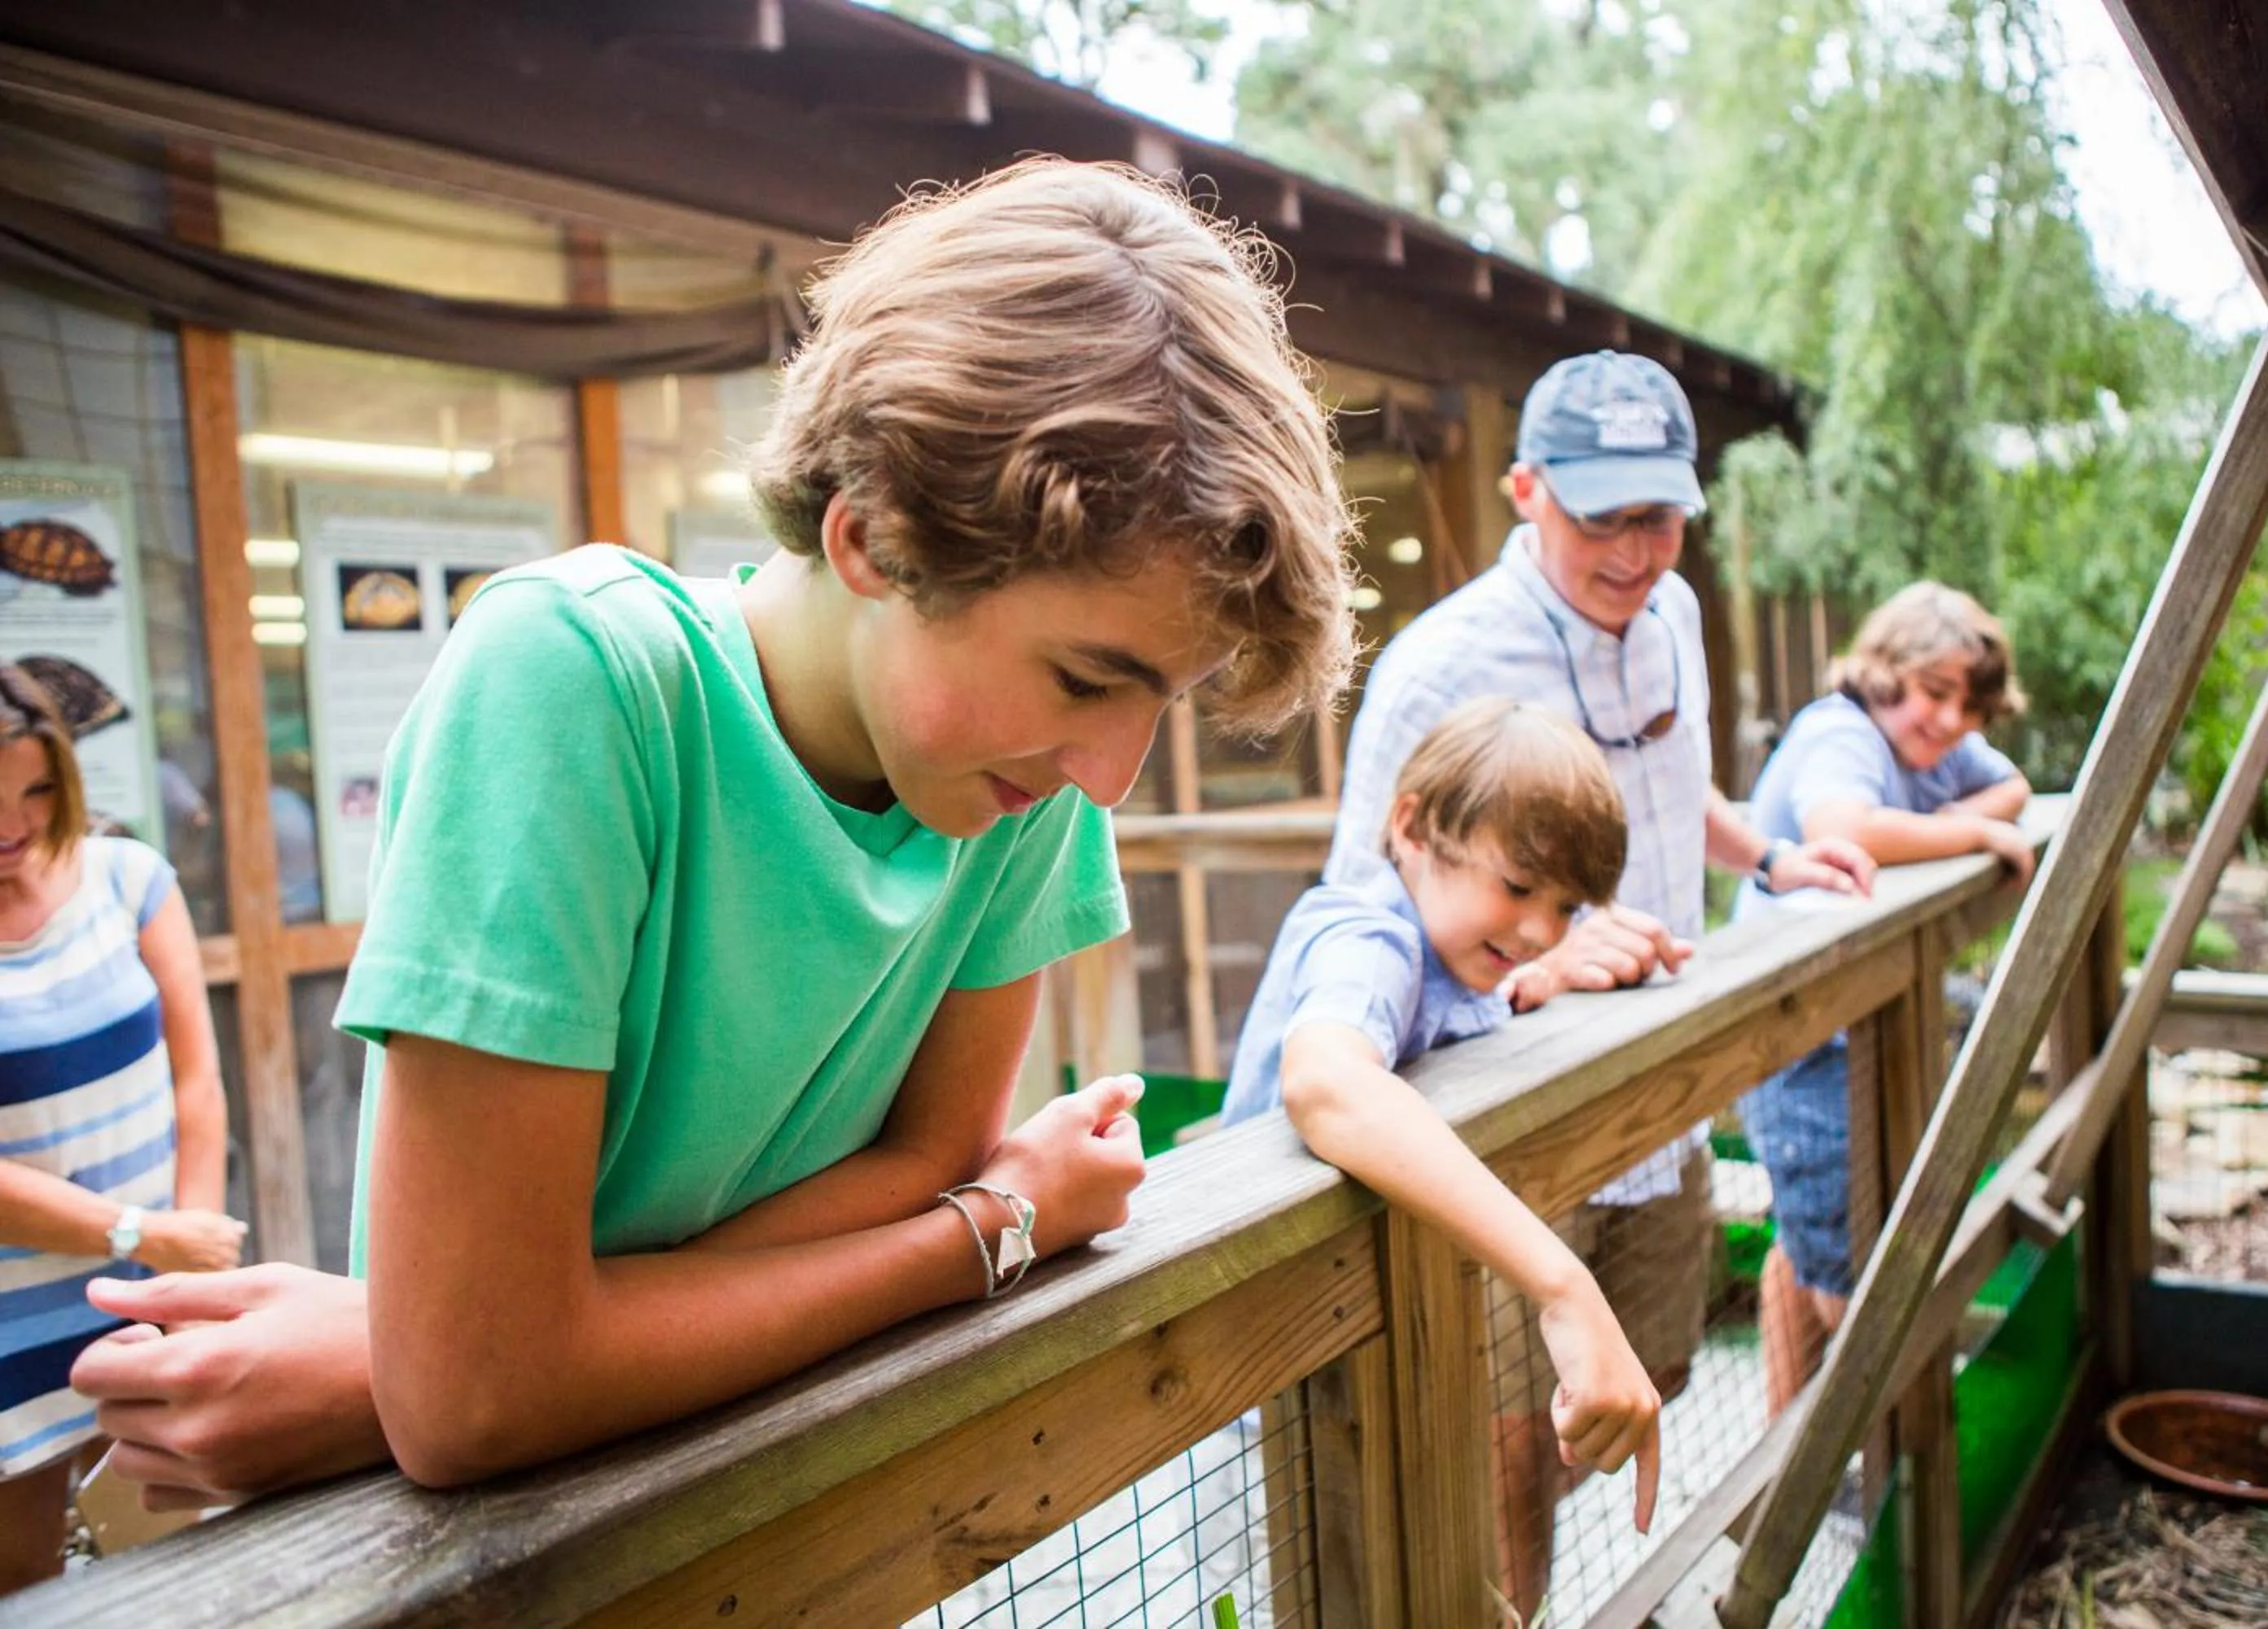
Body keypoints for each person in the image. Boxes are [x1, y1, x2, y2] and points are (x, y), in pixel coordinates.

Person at [68, 159, 1357, 1504]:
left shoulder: (1007, 778)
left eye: (1165, 699)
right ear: (873, 538)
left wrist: (425, 1357)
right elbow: (472, 1401)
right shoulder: (572, 678)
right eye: (1088, 680)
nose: (1111, 775)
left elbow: (909, 1166)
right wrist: (986, 1233)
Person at [1323, 349, 1875, 1614]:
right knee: (1519, 1437)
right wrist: (1536, 962)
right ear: (1526, 490)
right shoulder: (1441, 667)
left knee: (1656, 1373)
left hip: (1660, 1092)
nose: (1635, 550)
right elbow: (1366, 903)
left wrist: (1776, 852)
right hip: (1512, 1117)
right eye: (1601, 516)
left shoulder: (1671, 617)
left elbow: (1681, 792)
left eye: (1660, 516)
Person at [1221, 700, 1661, 1583]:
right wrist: (1562, 1282)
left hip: (1353, 1353)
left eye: (1567, 904)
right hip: (1255, 1385)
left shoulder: (1465, 952)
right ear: (1412, 824)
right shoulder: (1366, 930)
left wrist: (1541, 974)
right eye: (1518, 885)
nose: (1541, 925)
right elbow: (1327, 1079)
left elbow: (1470, 995)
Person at [1734, 582, 2029, 1415]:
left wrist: (1971, 811)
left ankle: (1782, 1444)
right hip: (1798, 1036)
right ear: (1885, 668)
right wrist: (1972, 831)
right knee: (1851, 1270)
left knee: (1807, 1242)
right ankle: (1881, 1451)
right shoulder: (1841, 730)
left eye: (1968, 707)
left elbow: (2009, 782)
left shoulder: (1923, 748)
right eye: (1936, 694)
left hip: (1855, 1022)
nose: (1948, 722)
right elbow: (1842, 829)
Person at [0, 666, 243, 1592]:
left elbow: (197, 1079)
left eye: (35, 789)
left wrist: (190, 1265)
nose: (12, 824)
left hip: (149, 1298)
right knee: (23, 1584)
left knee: (176, 1569)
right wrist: (143, 1234)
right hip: (13, 1328)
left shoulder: (129, 876)